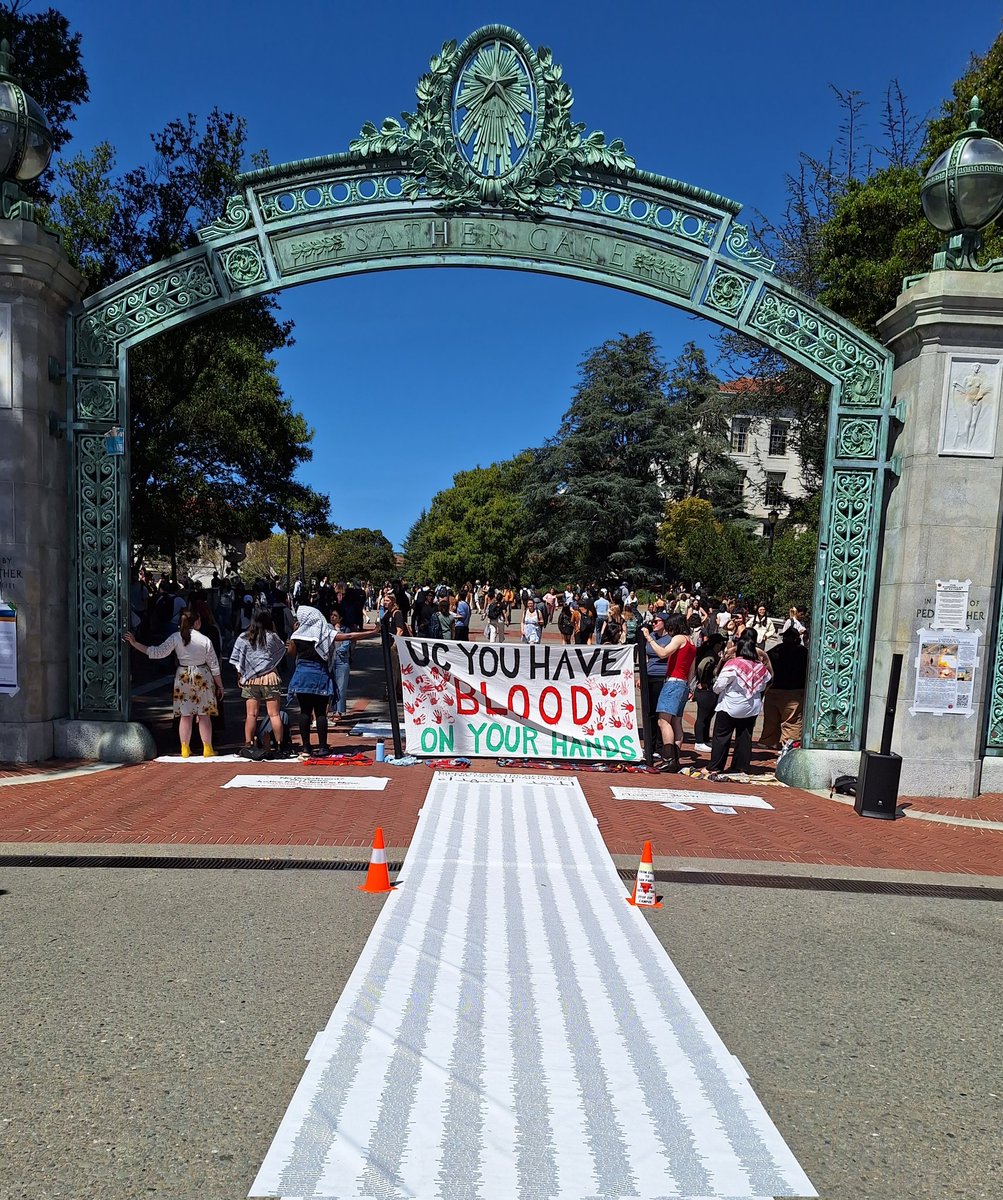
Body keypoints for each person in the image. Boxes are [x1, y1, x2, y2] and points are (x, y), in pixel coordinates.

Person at [124, 609, 223, 758]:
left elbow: (157, 652)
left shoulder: (176, 638)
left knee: (185, 714)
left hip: (183, 676)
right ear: (196, 622)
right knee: (204, 714)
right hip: (202, 675)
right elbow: (214, 666)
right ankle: (207, 748)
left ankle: (184, 747)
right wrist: (220, 685)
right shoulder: (204, 640)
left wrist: (135, 643)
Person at [709, 628, 772, 774]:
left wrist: (717, 690)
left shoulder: (733, 664)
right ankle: (740, 767)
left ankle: (715, 766)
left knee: (721, 736)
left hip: (731, 704)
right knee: (745, 737)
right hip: (752, 706)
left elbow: (719, 684)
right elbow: (766, 682)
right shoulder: (760, 666)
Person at [641, 614, 697, 772]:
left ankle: (668, 758)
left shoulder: (679, 638)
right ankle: (676, 757)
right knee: (677, 722)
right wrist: (690, 688)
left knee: (663, 721)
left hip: (673, 682)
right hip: (684, 683)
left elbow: (663, 653)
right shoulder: (691, 641)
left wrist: (649, 639)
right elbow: (692, 669)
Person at [230, 608, 288, 757]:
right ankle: (280, 745)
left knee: (251, 714)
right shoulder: (272, 637)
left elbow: (237, 661)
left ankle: (248, 744)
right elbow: (282, 650)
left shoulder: (243, 637)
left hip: (250, 679)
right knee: (274, 714)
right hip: (270, 677)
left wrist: (240, 676)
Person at [761, 625, 809, 749]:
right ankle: (789, 744)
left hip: (774, 689)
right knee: (792, 721)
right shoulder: (803, 652)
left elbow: (765, 665)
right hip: (794, 691)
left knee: (771, 720)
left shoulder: (775, 650)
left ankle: (769, 742)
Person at [691, 633, 726, 753]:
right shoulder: (710, 655)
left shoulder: (710, 653)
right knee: (703, 716)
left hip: (707, 689)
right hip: (705, 690)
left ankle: (704, 739)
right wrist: (703, 681)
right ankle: (699, 741)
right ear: (718, 644)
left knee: (707, 715)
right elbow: (701, 667)